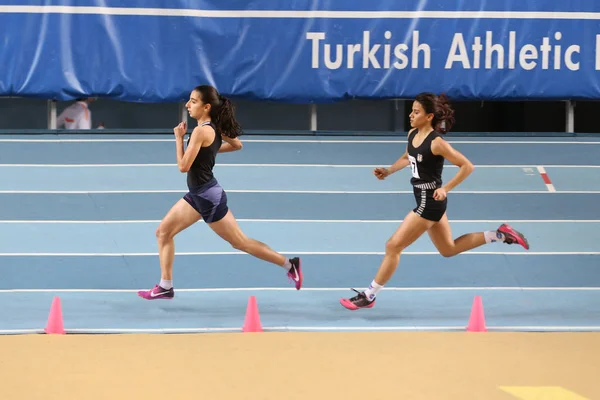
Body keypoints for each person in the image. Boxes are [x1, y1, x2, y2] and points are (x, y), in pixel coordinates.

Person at [339, 92, 529, 310]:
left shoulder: (437, 143)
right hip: (427, 201)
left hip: (429, 203)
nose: (411, 115)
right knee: (448, 249)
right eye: (411, 110)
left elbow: (467, 166)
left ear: (429, 116)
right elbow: (406, 156)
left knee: (393, 246)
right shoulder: (412, 134)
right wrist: (389, 170)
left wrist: (445, 188)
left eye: (416, 112)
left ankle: (369, 295)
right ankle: (500, 234)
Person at [138, 85, 303, 300]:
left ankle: (290, 265)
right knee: (163, 233)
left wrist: (179, 138)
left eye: (193, 101)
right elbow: (237, 145)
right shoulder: (213, 128)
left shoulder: (200, 131)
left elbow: (183, 167)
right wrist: (210, 150)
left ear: (207, 107)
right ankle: (165, 286)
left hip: (208, 197)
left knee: (240, 242)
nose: (188, 105)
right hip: (199, 194)